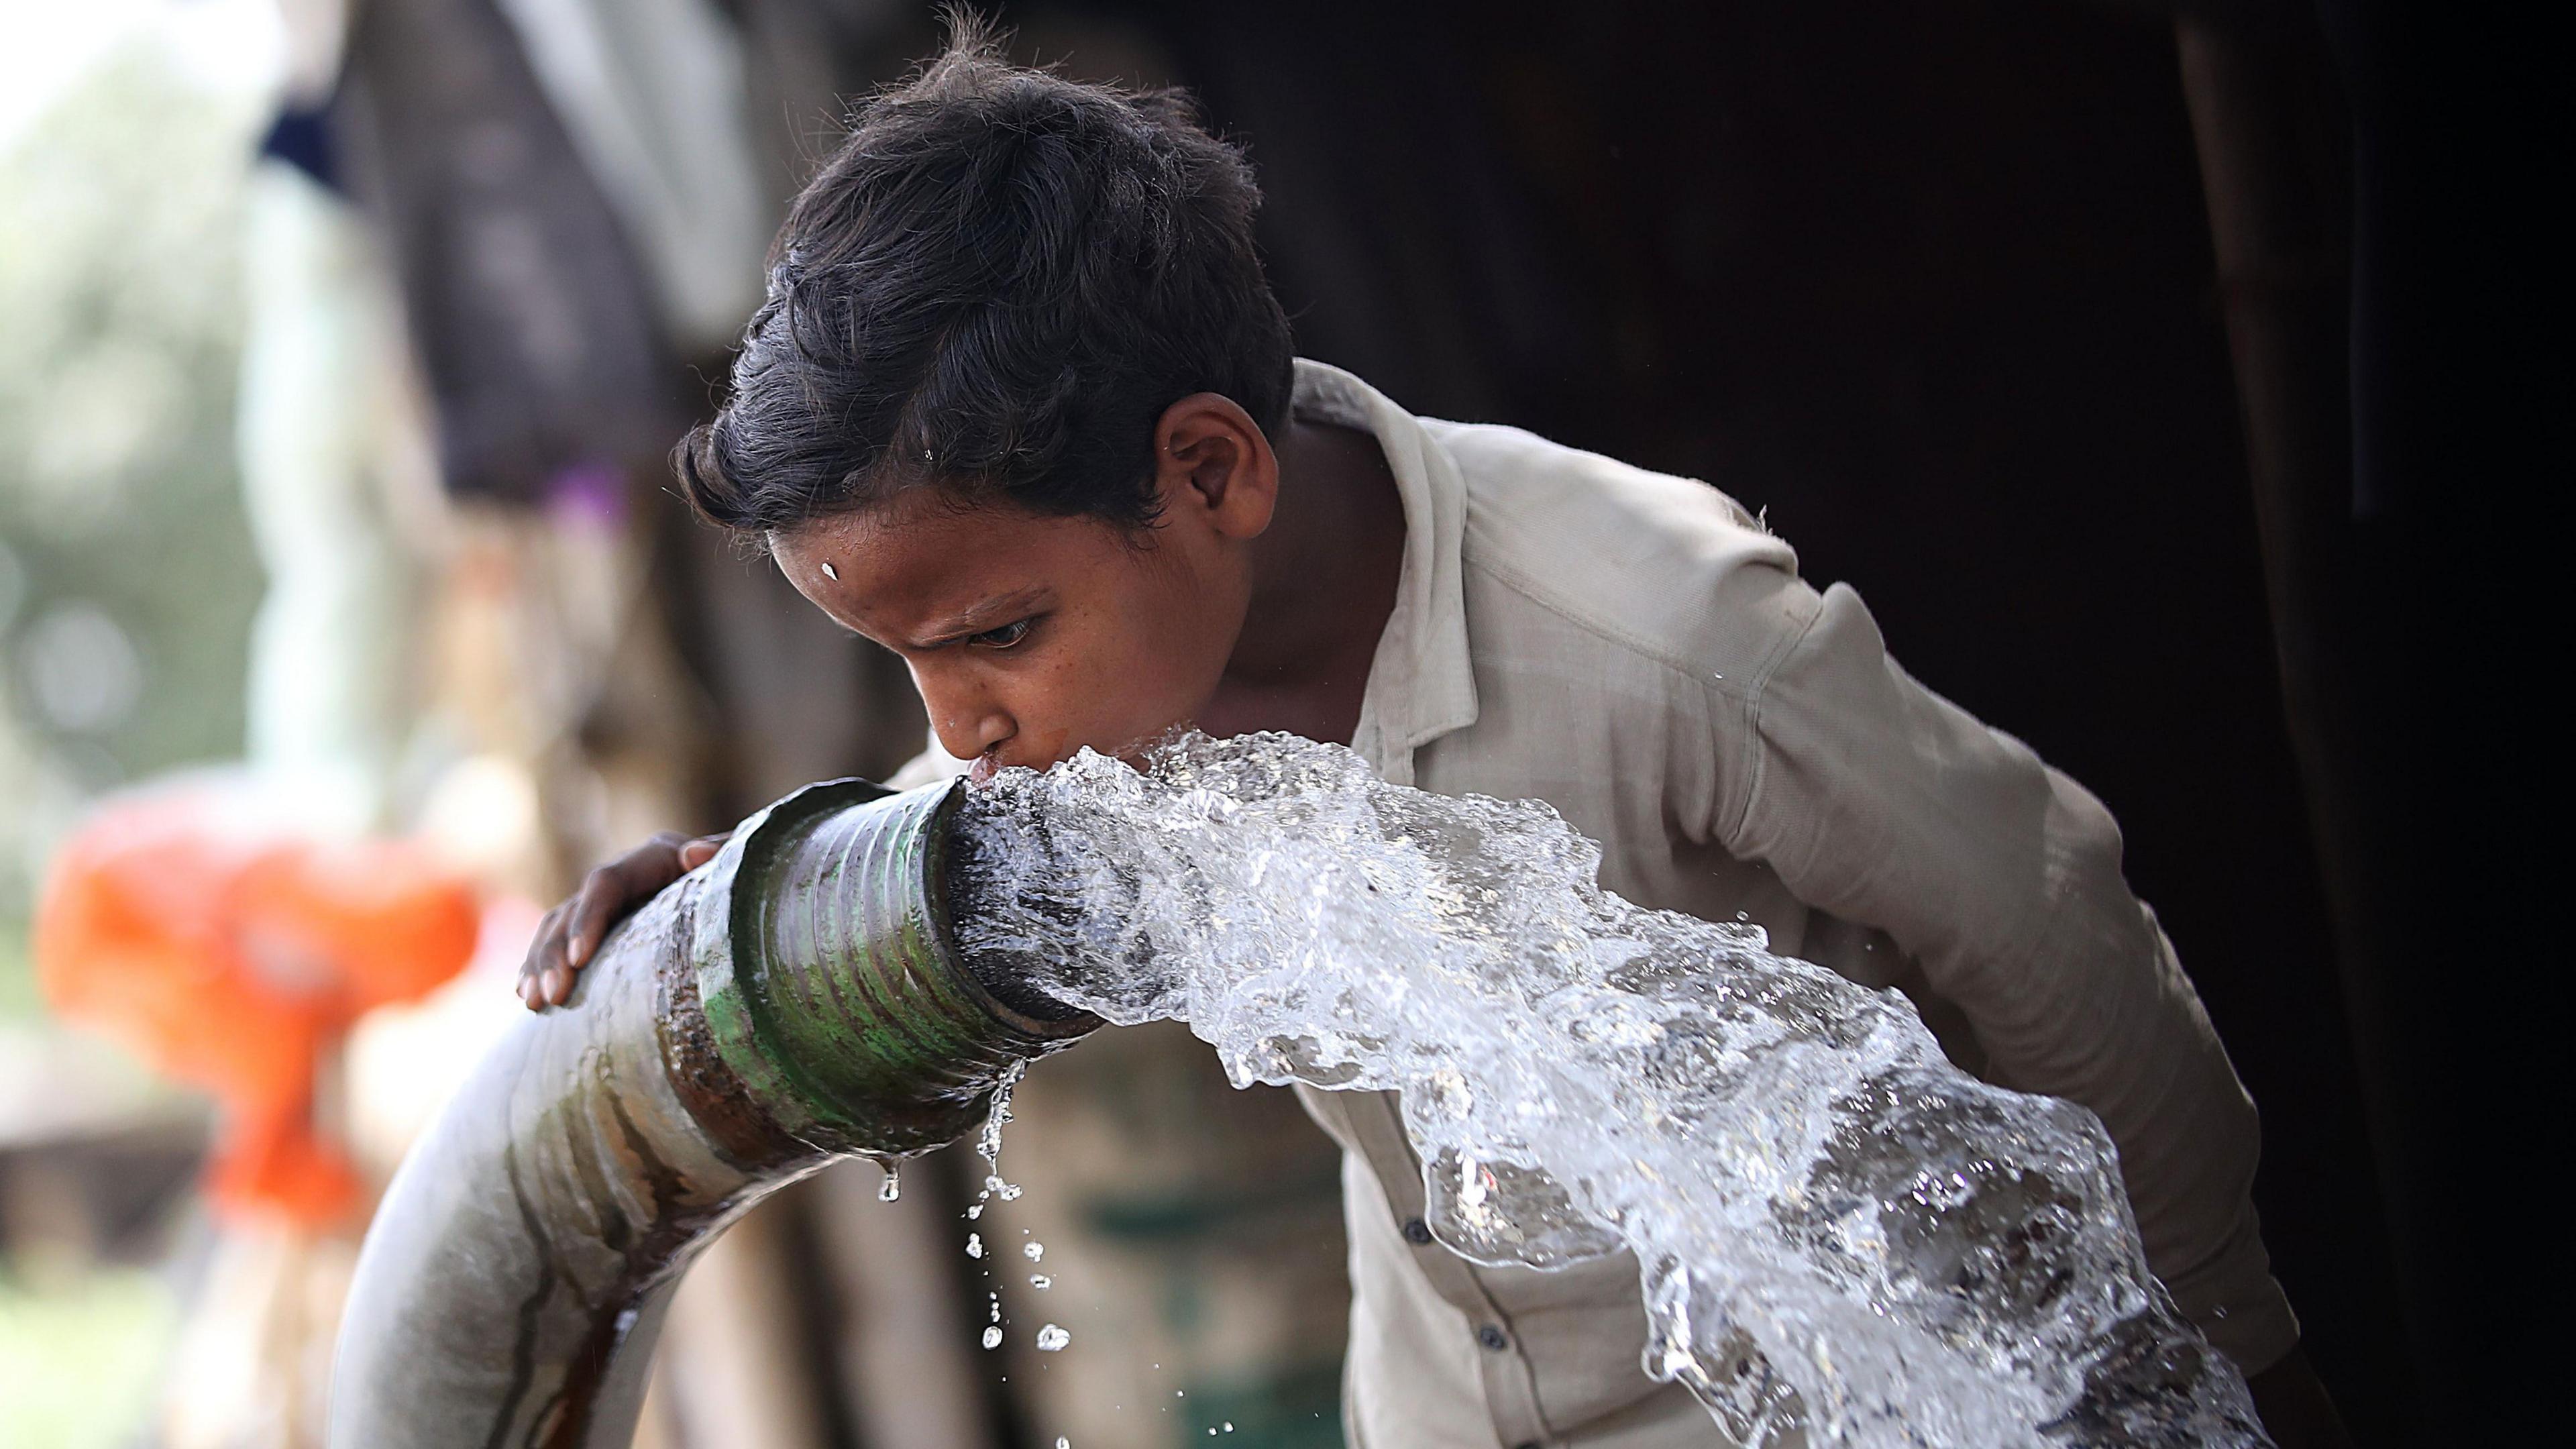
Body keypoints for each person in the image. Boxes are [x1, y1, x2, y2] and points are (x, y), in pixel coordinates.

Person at [515, 23, 2349, 1449]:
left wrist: (2227, 1360)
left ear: (1209, 469)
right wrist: (765, 876)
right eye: (908, 667)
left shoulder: (1655, 633)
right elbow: (949, 815)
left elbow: (2048, 928)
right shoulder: (1105, 716)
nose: (963, 731)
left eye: (991, 636)